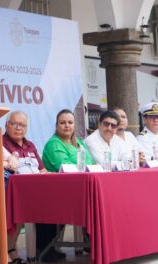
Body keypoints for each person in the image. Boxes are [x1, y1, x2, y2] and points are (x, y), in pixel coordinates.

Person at [40, 109, 93, 262]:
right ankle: (91, 242)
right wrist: (81, 166)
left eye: (70, 122)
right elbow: (63, 166)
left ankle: (96, 242)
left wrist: (82, 166)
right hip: (56, 194)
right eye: (62, 123)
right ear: (56, 125)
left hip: (78, 189)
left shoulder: (79, 142)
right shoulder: (53, 144)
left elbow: (89, 162)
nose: (67, 126)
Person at [2, 111, 46, 264]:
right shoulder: (0, 142)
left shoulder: (30, 145)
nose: (18, 128)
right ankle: (8, 250)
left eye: (22, 125)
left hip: (35, 191)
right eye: (14, 124)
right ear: (6, 125)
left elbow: (42, 170)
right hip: (12, 192)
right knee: (20, 208)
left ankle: (46, 248)